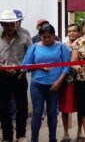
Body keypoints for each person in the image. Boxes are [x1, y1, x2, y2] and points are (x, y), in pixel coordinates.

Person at [22, 24, 70, 142]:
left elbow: (67, 66)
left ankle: (52, 138)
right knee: (37, 112)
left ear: (54, 35)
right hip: (37, 85)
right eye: (44, 37)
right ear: (40, 36)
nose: (47, 39)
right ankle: (34, 139)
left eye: (50, 37)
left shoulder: (61, 47)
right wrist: (39, 67)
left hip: (55, 85)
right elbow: (25, 66)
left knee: (52, 112)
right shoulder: (34, 47)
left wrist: (59, 82)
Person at [0, 10, 31, 142]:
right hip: (2, 75)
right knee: (2, 107)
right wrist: (3, 68)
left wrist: (23, 69)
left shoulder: (25, 37)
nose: (9, 27)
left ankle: (21, 135)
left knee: (22, 107)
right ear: (2, 24)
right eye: (6, 24)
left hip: (20, 76)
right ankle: (7, 136)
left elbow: (31, 57)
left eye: (12, 24)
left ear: (16, 23)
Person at [60, 24, 84, 142]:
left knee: (81, 106)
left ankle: (80, 132)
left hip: (81, 78)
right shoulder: (63, 46)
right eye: (69, 31)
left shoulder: (83, 44)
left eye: (74, 31)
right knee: (65, 107)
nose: (72, 33)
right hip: (66, 80)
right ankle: (66, 133)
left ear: (79, 32)